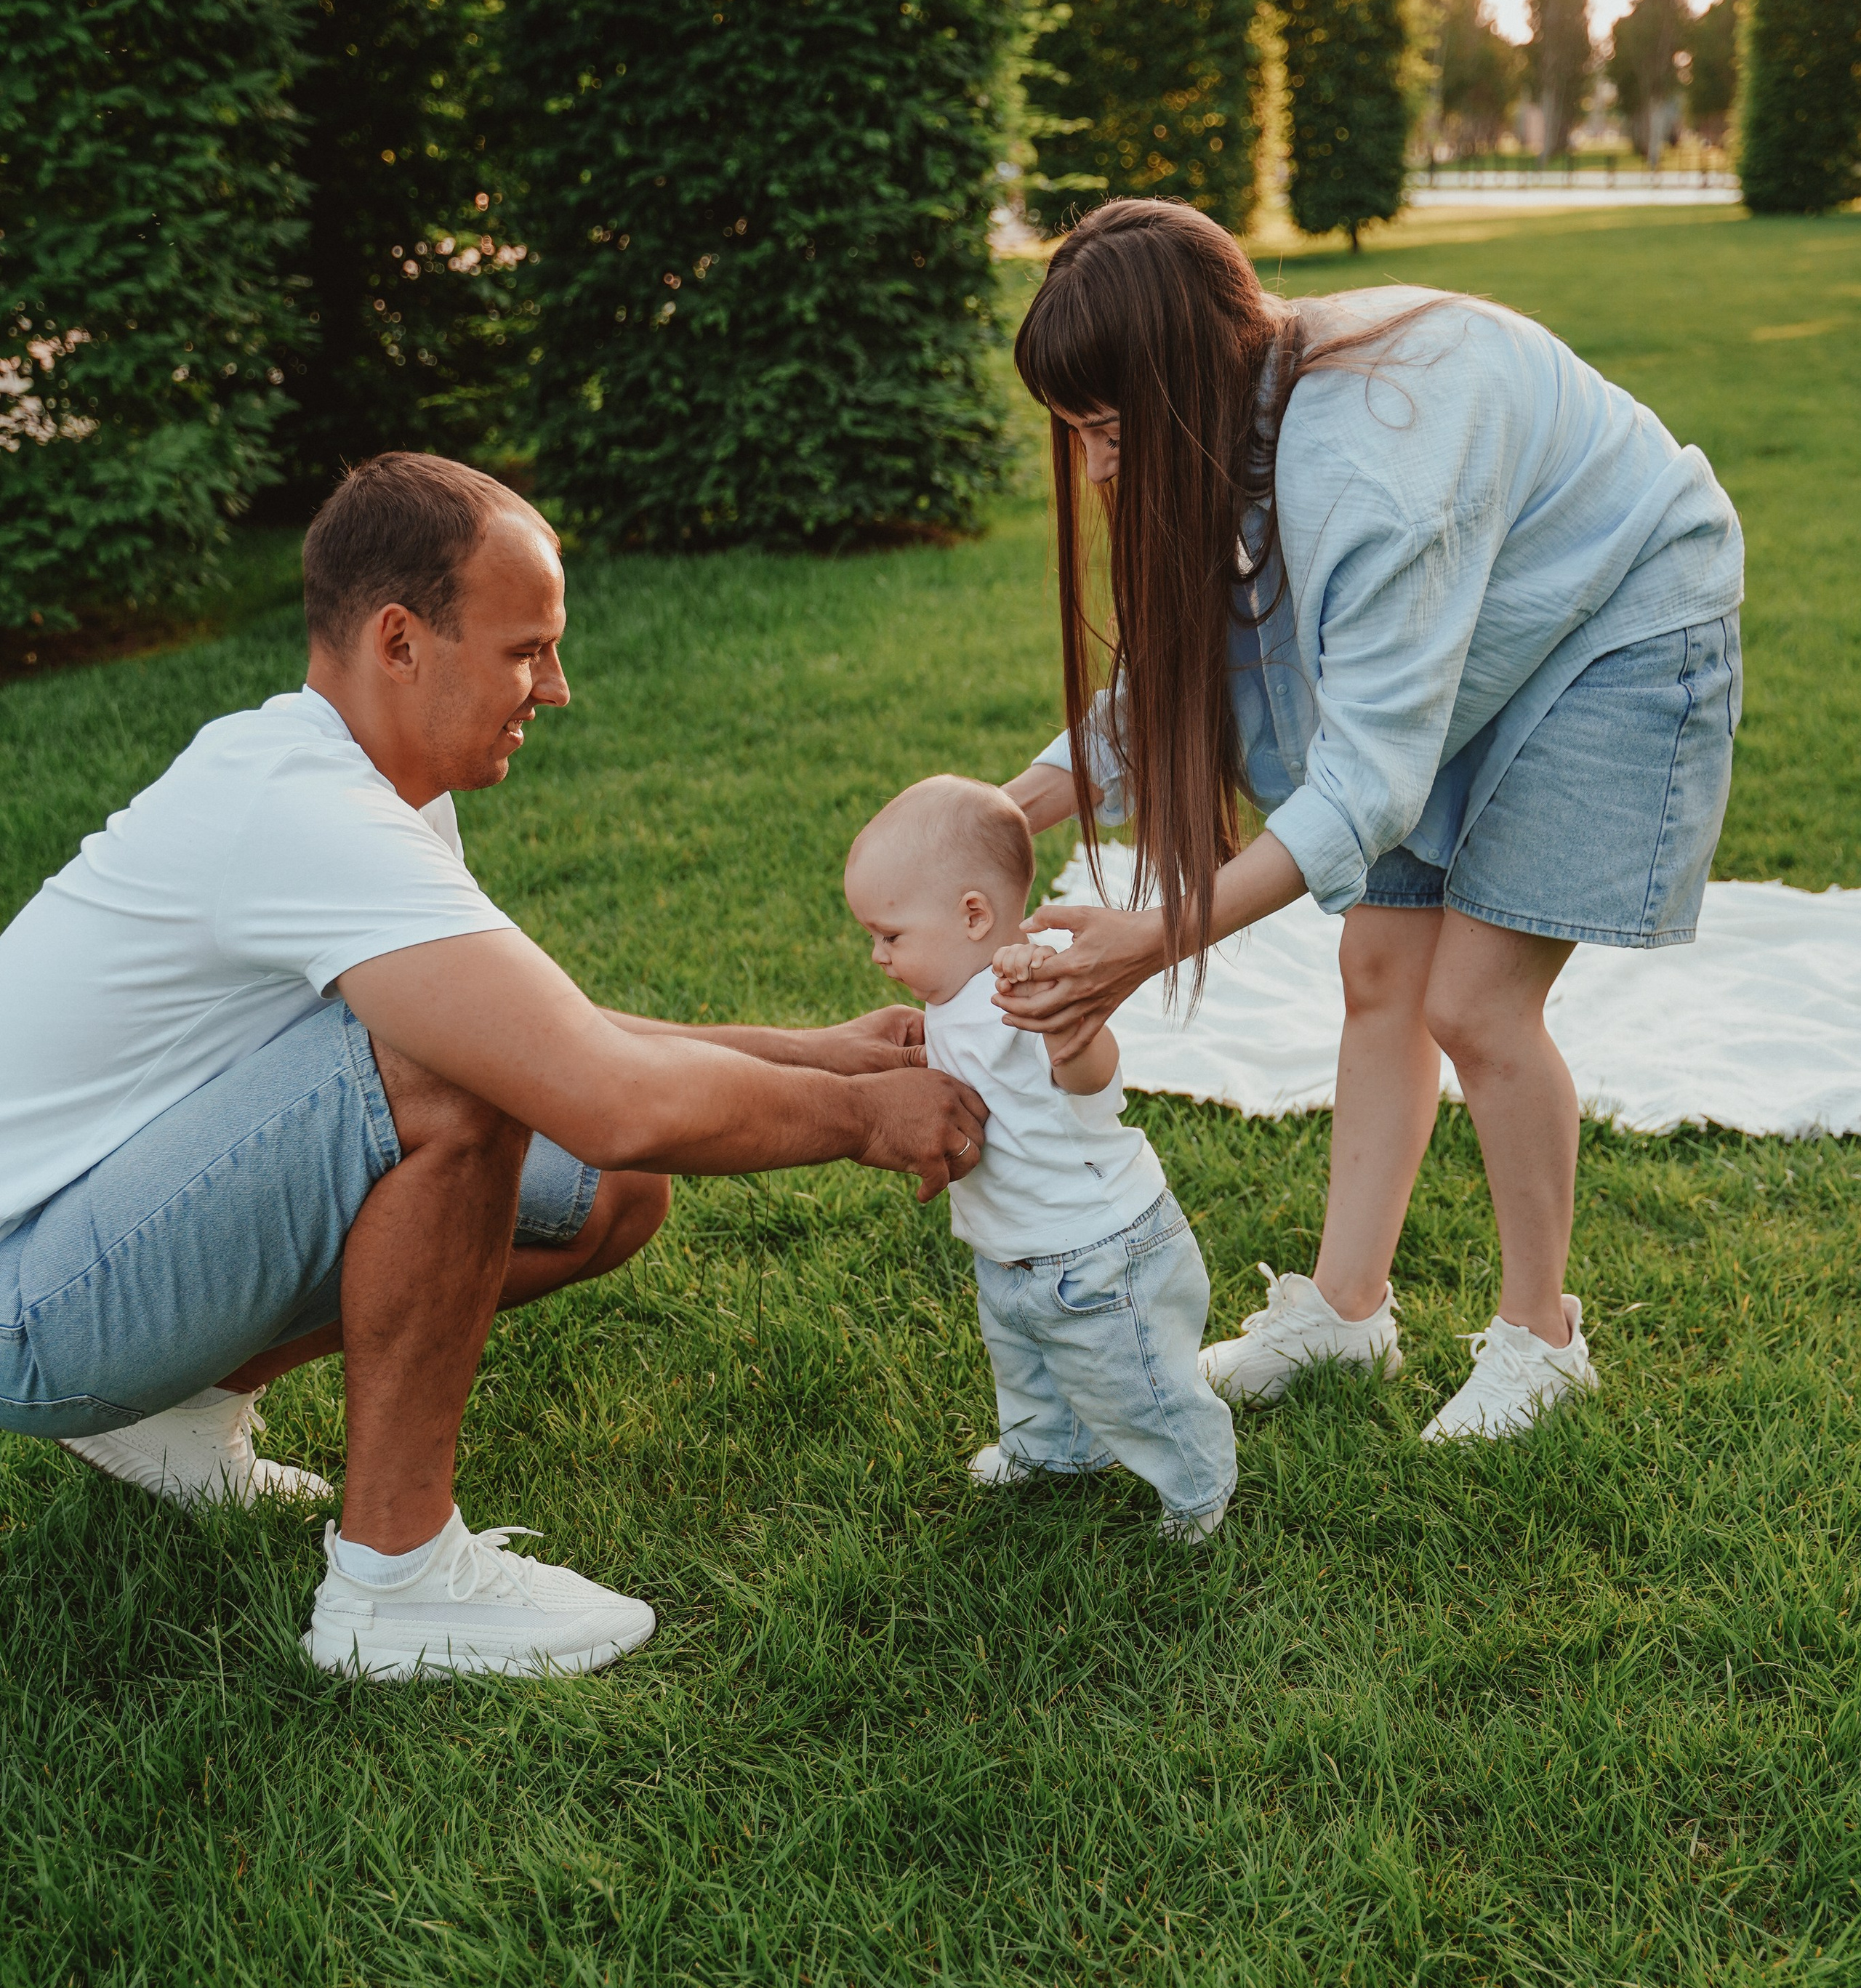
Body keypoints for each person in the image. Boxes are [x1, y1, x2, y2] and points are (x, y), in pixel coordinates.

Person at [0, 453, 986, 1679]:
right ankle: (395, 1581)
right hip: (25, 1297)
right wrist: (864, 1120)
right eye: (527, 651)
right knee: (451, 1086)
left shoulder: (360, 785)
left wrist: (817, 1055)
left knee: (608, 1194)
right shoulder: (307, 809)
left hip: (86, 1241)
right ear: (400, 642)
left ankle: (184, 1411)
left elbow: (542, 1035)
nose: (556, 688)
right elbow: (592, 1090)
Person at [996, 199, 1744, 1441]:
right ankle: (1346, 1314)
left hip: (1620, 615)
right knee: (1379, 963)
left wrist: (1158, 933)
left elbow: (1368, 781)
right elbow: (1186, 670)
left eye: (1111, 431)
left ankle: (1542, 1339)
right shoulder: (1247, 404)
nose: (1096, 471)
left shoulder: (1373, 473)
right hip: (1493, 613)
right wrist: (1006, 812)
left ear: (1182, 387)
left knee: (1476, 1002)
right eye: (1075, 435)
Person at [844, 776, 1235, 1539]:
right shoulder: (948, 994)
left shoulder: (1034, 986)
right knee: (1027, 1365)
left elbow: (1094, 1084)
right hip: (1015, 1247)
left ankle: (1195, 1484)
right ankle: (1051, 1450)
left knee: (1133, 1382)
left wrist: (1071, 1036)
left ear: (972, 915)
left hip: (1098, 1249)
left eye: (890, 934)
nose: (877, 955)